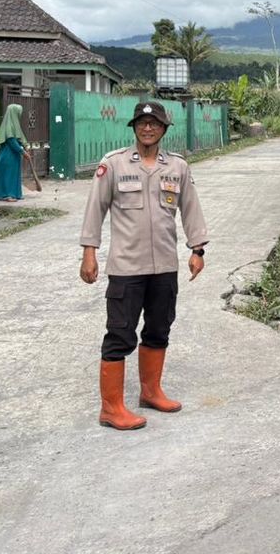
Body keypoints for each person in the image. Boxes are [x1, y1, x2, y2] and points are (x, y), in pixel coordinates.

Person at [79, 101, 209, 431]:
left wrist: (197, 249)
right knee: (119, 333)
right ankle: (111, 408)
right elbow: (95, 209)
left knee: (159, 328)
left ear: (164, 129)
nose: (147, 128)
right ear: (134, 127)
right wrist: (89, 252)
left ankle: (151, 392)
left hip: (164, 266)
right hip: (126, 267)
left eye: (154, 123)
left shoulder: (177, 167)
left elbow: (191, 209)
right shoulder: (114, 164)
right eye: (142, 123)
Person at [0, 103, 34, 201]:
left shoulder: (15, 125)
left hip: (14, 156)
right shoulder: (9, 126)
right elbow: (12, 141)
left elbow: (20, 137)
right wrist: (23, 152)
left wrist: (25, 146)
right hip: (8, 155)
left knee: (13, 175)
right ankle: (7, 195)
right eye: (18, 113)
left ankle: (15, 194)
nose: (19, 115)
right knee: (8, 175)